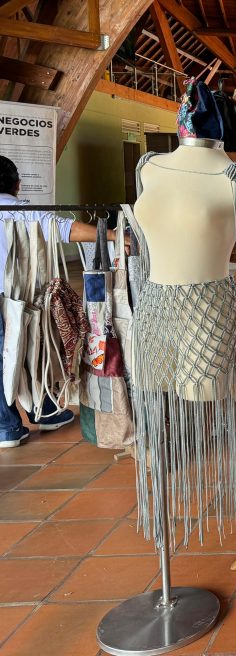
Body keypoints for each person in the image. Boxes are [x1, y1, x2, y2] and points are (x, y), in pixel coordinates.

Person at [0, 156, 121, 447]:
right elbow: (67, 229)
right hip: (19, 299)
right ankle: (43, 412)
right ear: (17, 185)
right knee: (34, 350)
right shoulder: (21, 211)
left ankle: (9, 427)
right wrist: (115, 236)